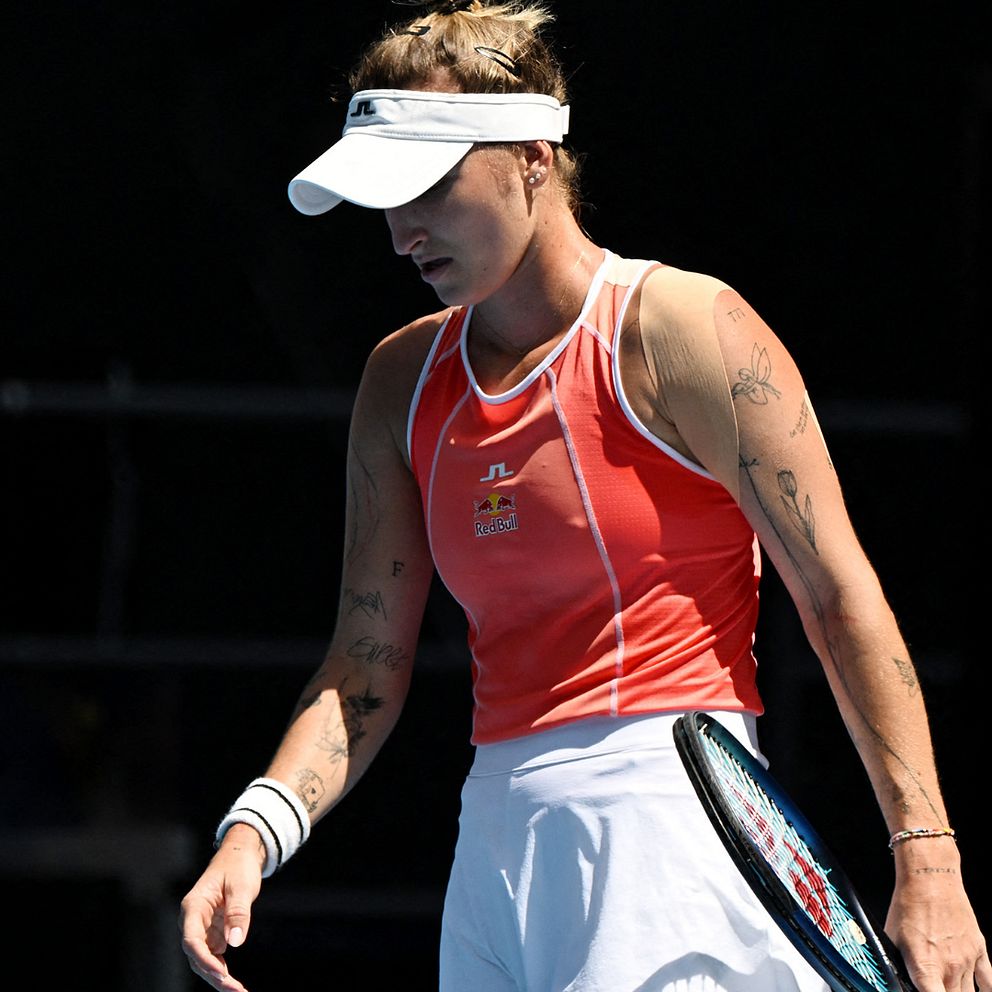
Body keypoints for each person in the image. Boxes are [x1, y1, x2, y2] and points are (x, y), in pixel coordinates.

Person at [178, 3, 988, 990]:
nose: (400, 233)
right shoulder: (399, 381)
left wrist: (928, 858)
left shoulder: (684, 328)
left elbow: (835, 594)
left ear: (531, 157)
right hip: (493, 843)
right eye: (383, 200)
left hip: (664, 823)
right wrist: (254, 831)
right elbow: (362, 668)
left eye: (427, 186)